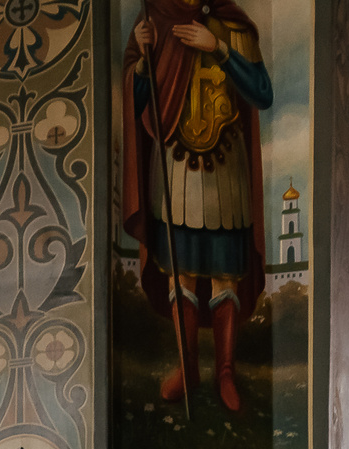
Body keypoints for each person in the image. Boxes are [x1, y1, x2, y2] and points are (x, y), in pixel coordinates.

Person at [121, 0, 271, 411]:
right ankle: (187, 368)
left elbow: (262, 92)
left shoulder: (235, 26)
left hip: (225, 169)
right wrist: (140, 61)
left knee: (226, 276)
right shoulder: (155, 20)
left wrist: (218, 47)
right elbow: (136, 103)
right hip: (176, 166)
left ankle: (226, 372)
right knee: (180, 275)